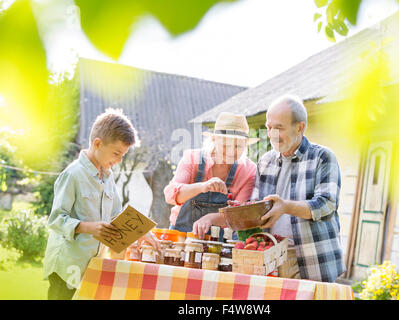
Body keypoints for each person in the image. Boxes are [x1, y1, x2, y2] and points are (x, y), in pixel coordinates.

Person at [43, 108, 160, 300]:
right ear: (98, 144)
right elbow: (56, 219)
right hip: (66, 265)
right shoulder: (73, 175)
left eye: (123, 155)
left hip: (93, 264)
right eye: (116, 153)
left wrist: (140, 232)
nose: (119, 160)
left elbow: (117, 215)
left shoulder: (108, 177)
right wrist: (90, 228)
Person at [252, 94, 346, 282]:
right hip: (271, 258)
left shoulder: (323, 157)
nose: (272, 134)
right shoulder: (265, 161)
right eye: (269, 128)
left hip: (312, 261)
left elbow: (326, 205)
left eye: (279, 128)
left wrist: (285, 206)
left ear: (300, 127)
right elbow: (255, 205)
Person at [164, 112, 258, 239]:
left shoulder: (249, 170)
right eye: (225, 145)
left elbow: (238, 214)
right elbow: (170, 196)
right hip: (181, 237)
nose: (231, 151)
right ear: (214, 139)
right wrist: (203, 186)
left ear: (246, 144)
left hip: (219, 241)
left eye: (238, 146)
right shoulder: (192, 158)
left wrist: (211, 218)